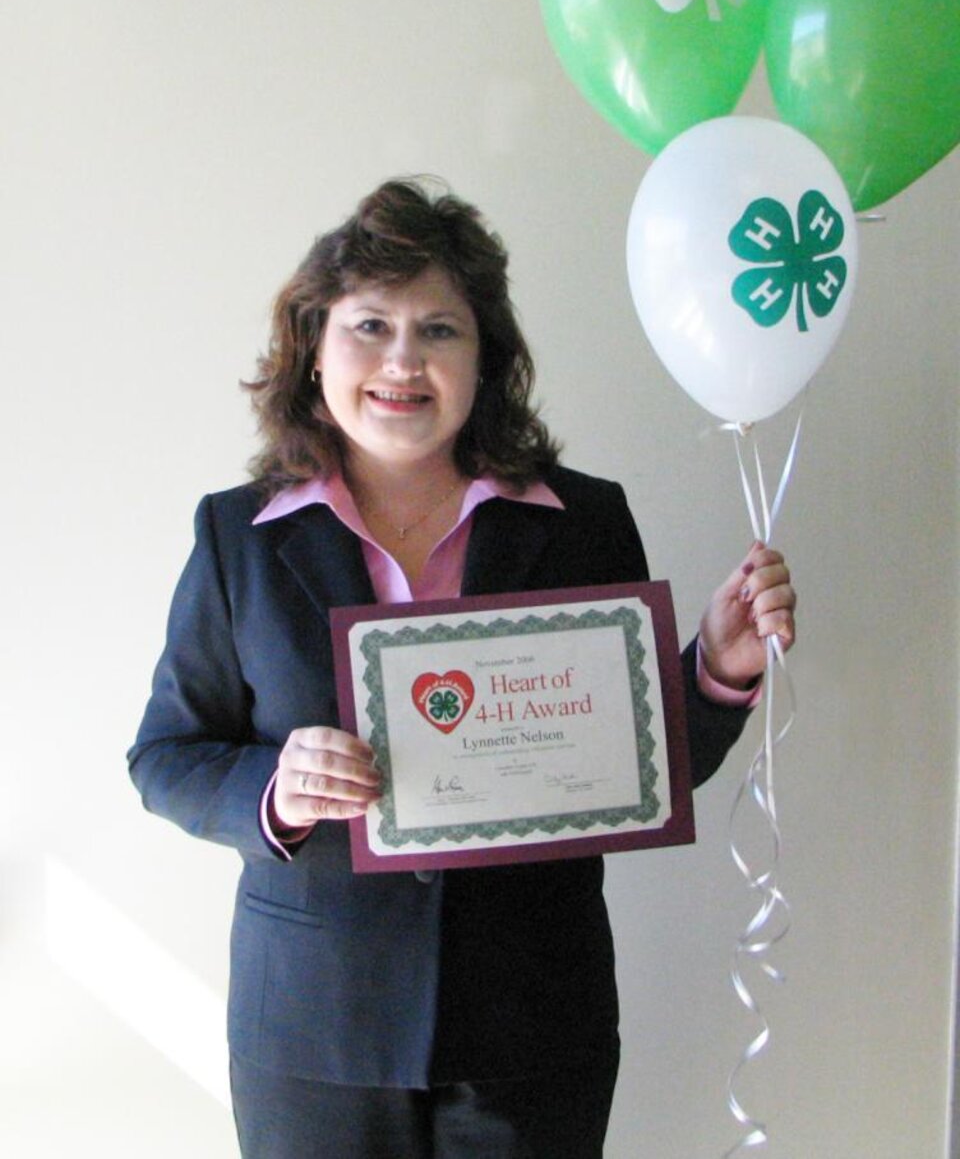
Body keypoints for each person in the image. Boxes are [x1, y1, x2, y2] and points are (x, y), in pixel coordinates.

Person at [129, 178, 796, 1159]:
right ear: (314, 348)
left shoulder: (583, 523)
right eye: (370, 325)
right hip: (313, 1030)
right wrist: (274, 790)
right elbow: (166, 755)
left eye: (439, 328)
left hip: (533, 1024)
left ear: (485, 359)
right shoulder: (237, 537)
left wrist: (717, 668)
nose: (404, 360)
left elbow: (641, 770)